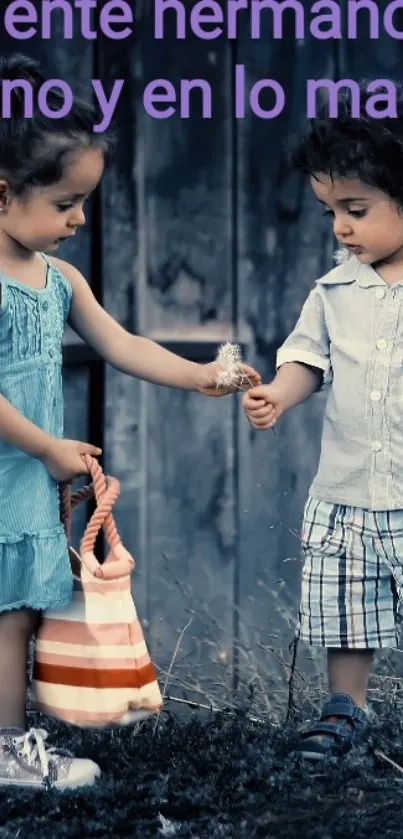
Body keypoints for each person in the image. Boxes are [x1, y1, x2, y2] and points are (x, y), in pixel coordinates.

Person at [0, 53, 260, 790]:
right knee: (9, 609)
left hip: (26, 472)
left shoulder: (59, 280)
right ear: (1, 194)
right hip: (16, 461)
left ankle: (10, 735)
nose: (80, 219)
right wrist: (47, 445)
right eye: (65, 203)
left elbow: (124, 343)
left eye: (85, 200)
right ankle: (9, 746)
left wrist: (201, 375)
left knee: (17, 605)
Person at [243, 80, 403, 760]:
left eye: (356, 209)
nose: (339, 226)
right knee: (347, 606)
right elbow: (307, 357)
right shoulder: (333, 289)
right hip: (347, 490)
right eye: (329, 210)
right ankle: (346, 706)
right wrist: (279, 392)